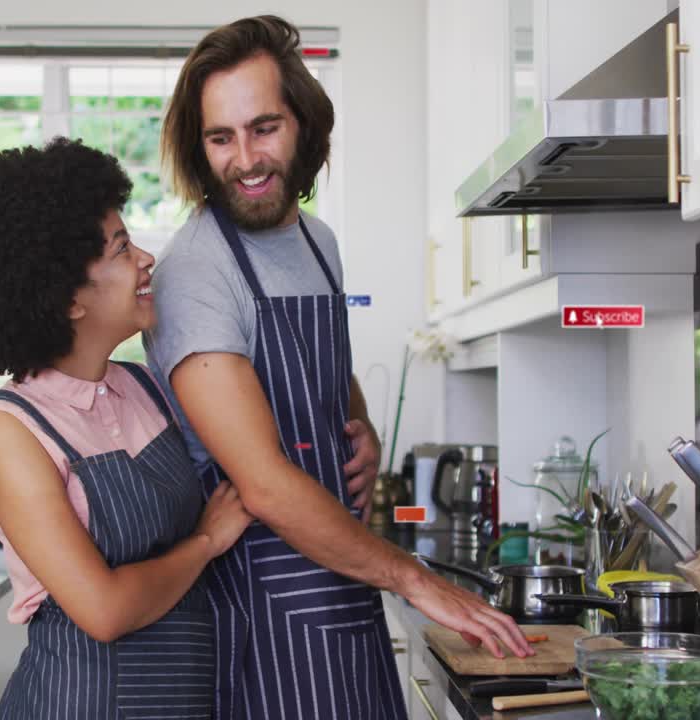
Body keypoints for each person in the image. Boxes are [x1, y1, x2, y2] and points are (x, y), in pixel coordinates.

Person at [145, 15, 533, 720]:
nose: (246, 159)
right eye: (220, 138)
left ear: (305, 123)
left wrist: (360, 425)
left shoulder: (316, 240)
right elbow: (261, 485)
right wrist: (413, 578)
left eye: (264, 127)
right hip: (261, 612)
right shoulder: (195, 273)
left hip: (344, 582)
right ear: (199, 150)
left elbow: (323, 367)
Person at [0, 137, 253, 719]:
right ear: (70, 297)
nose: (146, 259)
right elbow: (102, 610)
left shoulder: (144, 385)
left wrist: (352, 434)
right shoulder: (10, 433)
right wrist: (205, 541)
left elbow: (248, 450)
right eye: (123, 248)